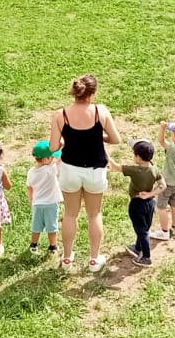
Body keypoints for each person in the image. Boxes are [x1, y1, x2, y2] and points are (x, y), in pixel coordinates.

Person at [49, 74, 124, 272]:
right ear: (92, 93)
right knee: (94, 214)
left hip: (70, 169)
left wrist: (66, 140)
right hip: (95, 170)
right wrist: (99, 137)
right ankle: (94, 259)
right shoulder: (101, 111)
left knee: (70, 214)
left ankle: (67, 259)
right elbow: (116, 139)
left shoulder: (60, 115)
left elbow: (53, 147)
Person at [112, 139, 161, 267]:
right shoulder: (154, 169)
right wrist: (150, 194)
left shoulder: (134, 170)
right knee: (145, 228)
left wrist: (105, 154)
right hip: (150, 203)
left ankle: (146, 257)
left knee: (142, 231)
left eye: (134, 154)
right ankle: (137, 248)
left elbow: (115, 166)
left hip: (137, 205)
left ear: (138, 157)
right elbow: (163, 186)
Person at [25, 140, 61, 255]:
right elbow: (62, 159)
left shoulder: (31, 172)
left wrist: (31, 200)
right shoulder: (51, 169)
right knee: (52, 227)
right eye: (52, 157)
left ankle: (34, 245)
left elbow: (29, 187)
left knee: (36, 227)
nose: (53, 159)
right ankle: (53, 246)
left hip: (37, 204)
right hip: (51, 204)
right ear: (45, 159)